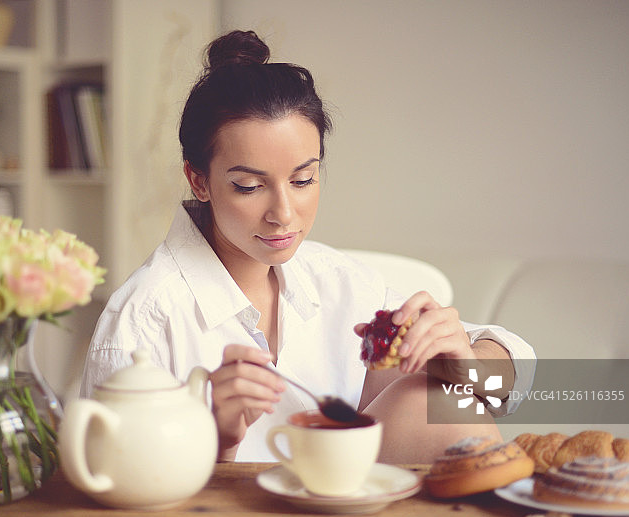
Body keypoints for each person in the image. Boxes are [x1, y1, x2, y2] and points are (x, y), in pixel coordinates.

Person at [81, 30, 536, 463]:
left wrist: (470, 365)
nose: (283, 213)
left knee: (439, 397)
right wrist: (217, 440)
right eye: (248, 186)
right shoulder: (141, 322)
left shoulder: (336, 280)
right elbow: (114, 491)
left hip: (354, 511)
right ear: (198, 179)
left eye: (303, 179)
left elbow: (517, 363)